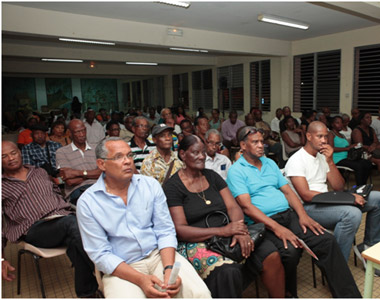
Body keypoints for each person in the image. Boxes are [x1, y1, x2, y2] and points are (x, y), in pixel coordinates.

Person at [227, 126, 362, 298]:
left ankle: (349, 296)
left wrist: (303, 216)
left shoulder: (270, 163)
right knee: (289, 251)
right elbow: (247, 207)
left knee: (326, 241)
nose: (261, 145)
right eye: (255, 142)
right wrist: (277, 228)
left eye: (262, 141)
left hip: (288, 215)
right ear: (243, 146)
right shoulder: (236, 171)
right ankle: (288, 294)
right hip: (263, 223)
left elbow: (288, 192)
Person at [76, 137, 211, 298]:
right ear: (101, 164)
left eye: (129, 156)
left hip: (158, 255)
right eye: (119, 157)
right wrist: (141, 280)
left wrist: (168, 269)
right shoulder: (88, 202)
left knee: (199, 293)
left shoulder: (150, 185)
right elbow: (100, 254)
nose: (127, 162)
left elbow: (165, 230)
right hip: (122, 265)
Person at [163, 135, 285, 298]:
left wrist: (238, 231)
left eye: (203, 152)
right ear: (183, 154)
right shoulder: (173, 186)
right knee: (228, 271)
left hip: (230, 232)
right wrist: (223, 231)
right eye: (195, 152)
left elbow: (233, 207)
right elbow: (181, 230)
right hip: (197, 241)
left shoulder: (212, 176)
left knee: (270, 254)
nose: (201, 156)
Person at [1, 141, 99, 297]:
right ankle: (107, 272)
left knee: (76, 237)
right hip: (34, 229)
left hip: (62, 219)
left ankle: (88, 294)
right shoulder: (2, 186)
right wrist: (1, 259)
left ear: (20, 152)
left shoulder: (39, 172)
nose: (10, 158)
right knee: (72, 224)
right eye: (3, 156)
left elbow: (56, 193)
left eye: (13, 153)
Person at [285, 121, 380, 263]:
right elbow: (306, 195)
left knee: (377, 198)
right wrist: (347, 198)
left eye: (325, 136)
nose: (324, 140)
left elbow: (338, 187)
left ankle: (368, 245)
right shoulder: (297, 160)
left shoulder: (322, 157)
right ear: (309, 136)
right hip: (308, 208)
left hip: (327, 202)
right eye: (319, 136)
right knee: (352, 214)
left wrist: (330, 162)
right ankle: (336, 265)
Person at [56, 119, 102, 205]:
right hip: (78, 191)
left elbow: (104, 173)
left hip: (100, 187)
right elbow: (70, 181)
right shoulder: (62, 152)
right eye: (77, 132)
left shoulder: (96, 148)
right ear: (70, 133)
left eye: (83, 131)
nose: (82, 135)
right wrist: (94, 174)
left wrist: (77, 173)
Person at [328, 116, 372, 186]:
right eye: (337, 123)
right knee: (359, 166)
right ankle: (359, 187)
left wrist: (353, 146)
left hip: (347, 157)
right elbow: (331, 148)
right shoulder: (331, 134)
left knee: (367, 163)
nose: (340, 124)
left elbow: (346, 147)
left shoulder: (342, 135)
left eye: (341, 123)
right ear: (332, 124)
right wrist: (347, 149)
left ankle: (363, 185)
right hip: (337, 159)